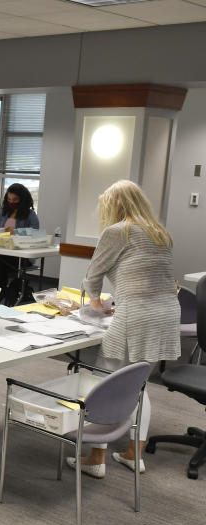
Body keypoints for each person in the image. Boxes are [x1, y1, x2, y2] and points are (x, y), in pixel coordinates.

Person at [68, 180, 180, 478]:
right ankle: (133, 455)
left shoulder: (119, 231)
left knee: (105, 382)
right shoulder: (160, 233)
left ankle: (95, 458)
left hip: (137, 316)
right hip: (166, 314)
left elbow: (93, 276)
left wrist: (95, 304)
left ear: (115, 206)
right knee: (137, 385)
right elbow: (149, 277)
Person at [0, 183, 40, 305]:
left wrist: (16, 232)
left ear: (22, 199)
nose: (11, 202)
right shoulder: (4, 212)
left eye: (15, 200)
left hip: (20, 255)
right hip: (2, 250)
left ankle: (1, 294)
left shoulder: (30, 214)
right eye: (9, 199)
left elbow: (37, 234)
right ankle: (4, 291)